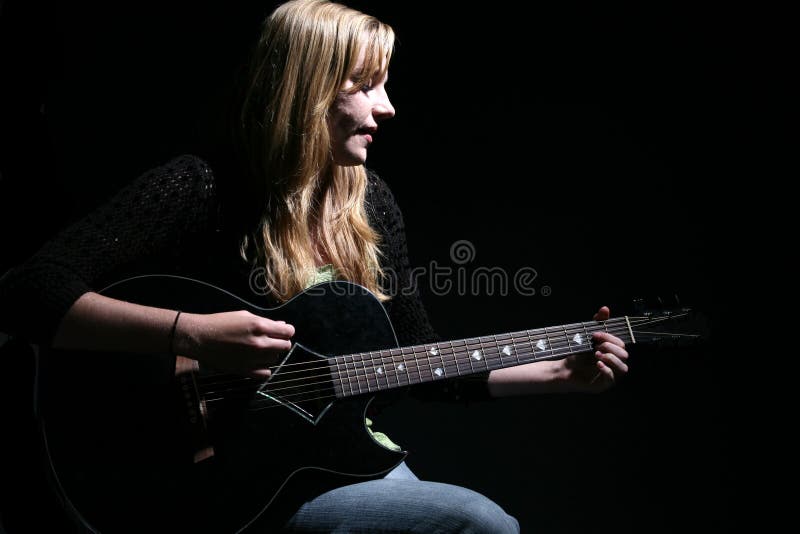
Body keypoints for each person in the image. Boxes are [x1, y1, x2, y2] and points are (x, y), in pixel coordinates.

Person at [0, 0, 629, 532]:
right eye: (365, 85)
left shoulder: (371, 201)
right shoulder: (202, 188)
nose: (387, 108)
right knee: (479, 523)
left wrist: (557, 375)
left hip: (333, 460)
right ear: (307, 90)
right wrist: (190, 334)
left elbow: (421, 362)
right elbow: (28, 292)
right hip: (209, 481)